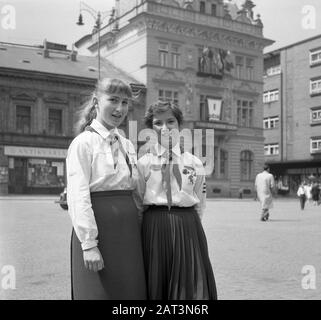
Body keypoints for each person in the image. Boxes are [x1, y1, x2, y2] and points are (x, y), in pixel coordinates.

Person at [66, 78, 146, 300]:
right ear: (96, 102)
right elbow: (77, 195)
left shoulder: (127, 144)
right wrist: (89, 244)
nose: (120, 108)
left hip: (129, 232)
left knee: (130, 292)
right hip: (100, 231)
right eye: (113, 100)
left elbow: (137, 190)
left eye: (125, 102)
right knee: (99, 293)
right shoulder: (83, 143)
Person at [136, 100, 217, 300]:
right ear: (151, 128)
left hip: (187, 226)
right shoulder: (144, 163)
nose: (165, 128)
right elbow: (137, 203)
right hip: (154, 226)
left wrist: (189, 225)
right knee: (157, 280)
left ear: (179, 125)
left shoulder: (194, 162)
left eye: (170, 121)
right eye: (158, 123)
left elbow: (200, 200)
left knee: (189, 283)